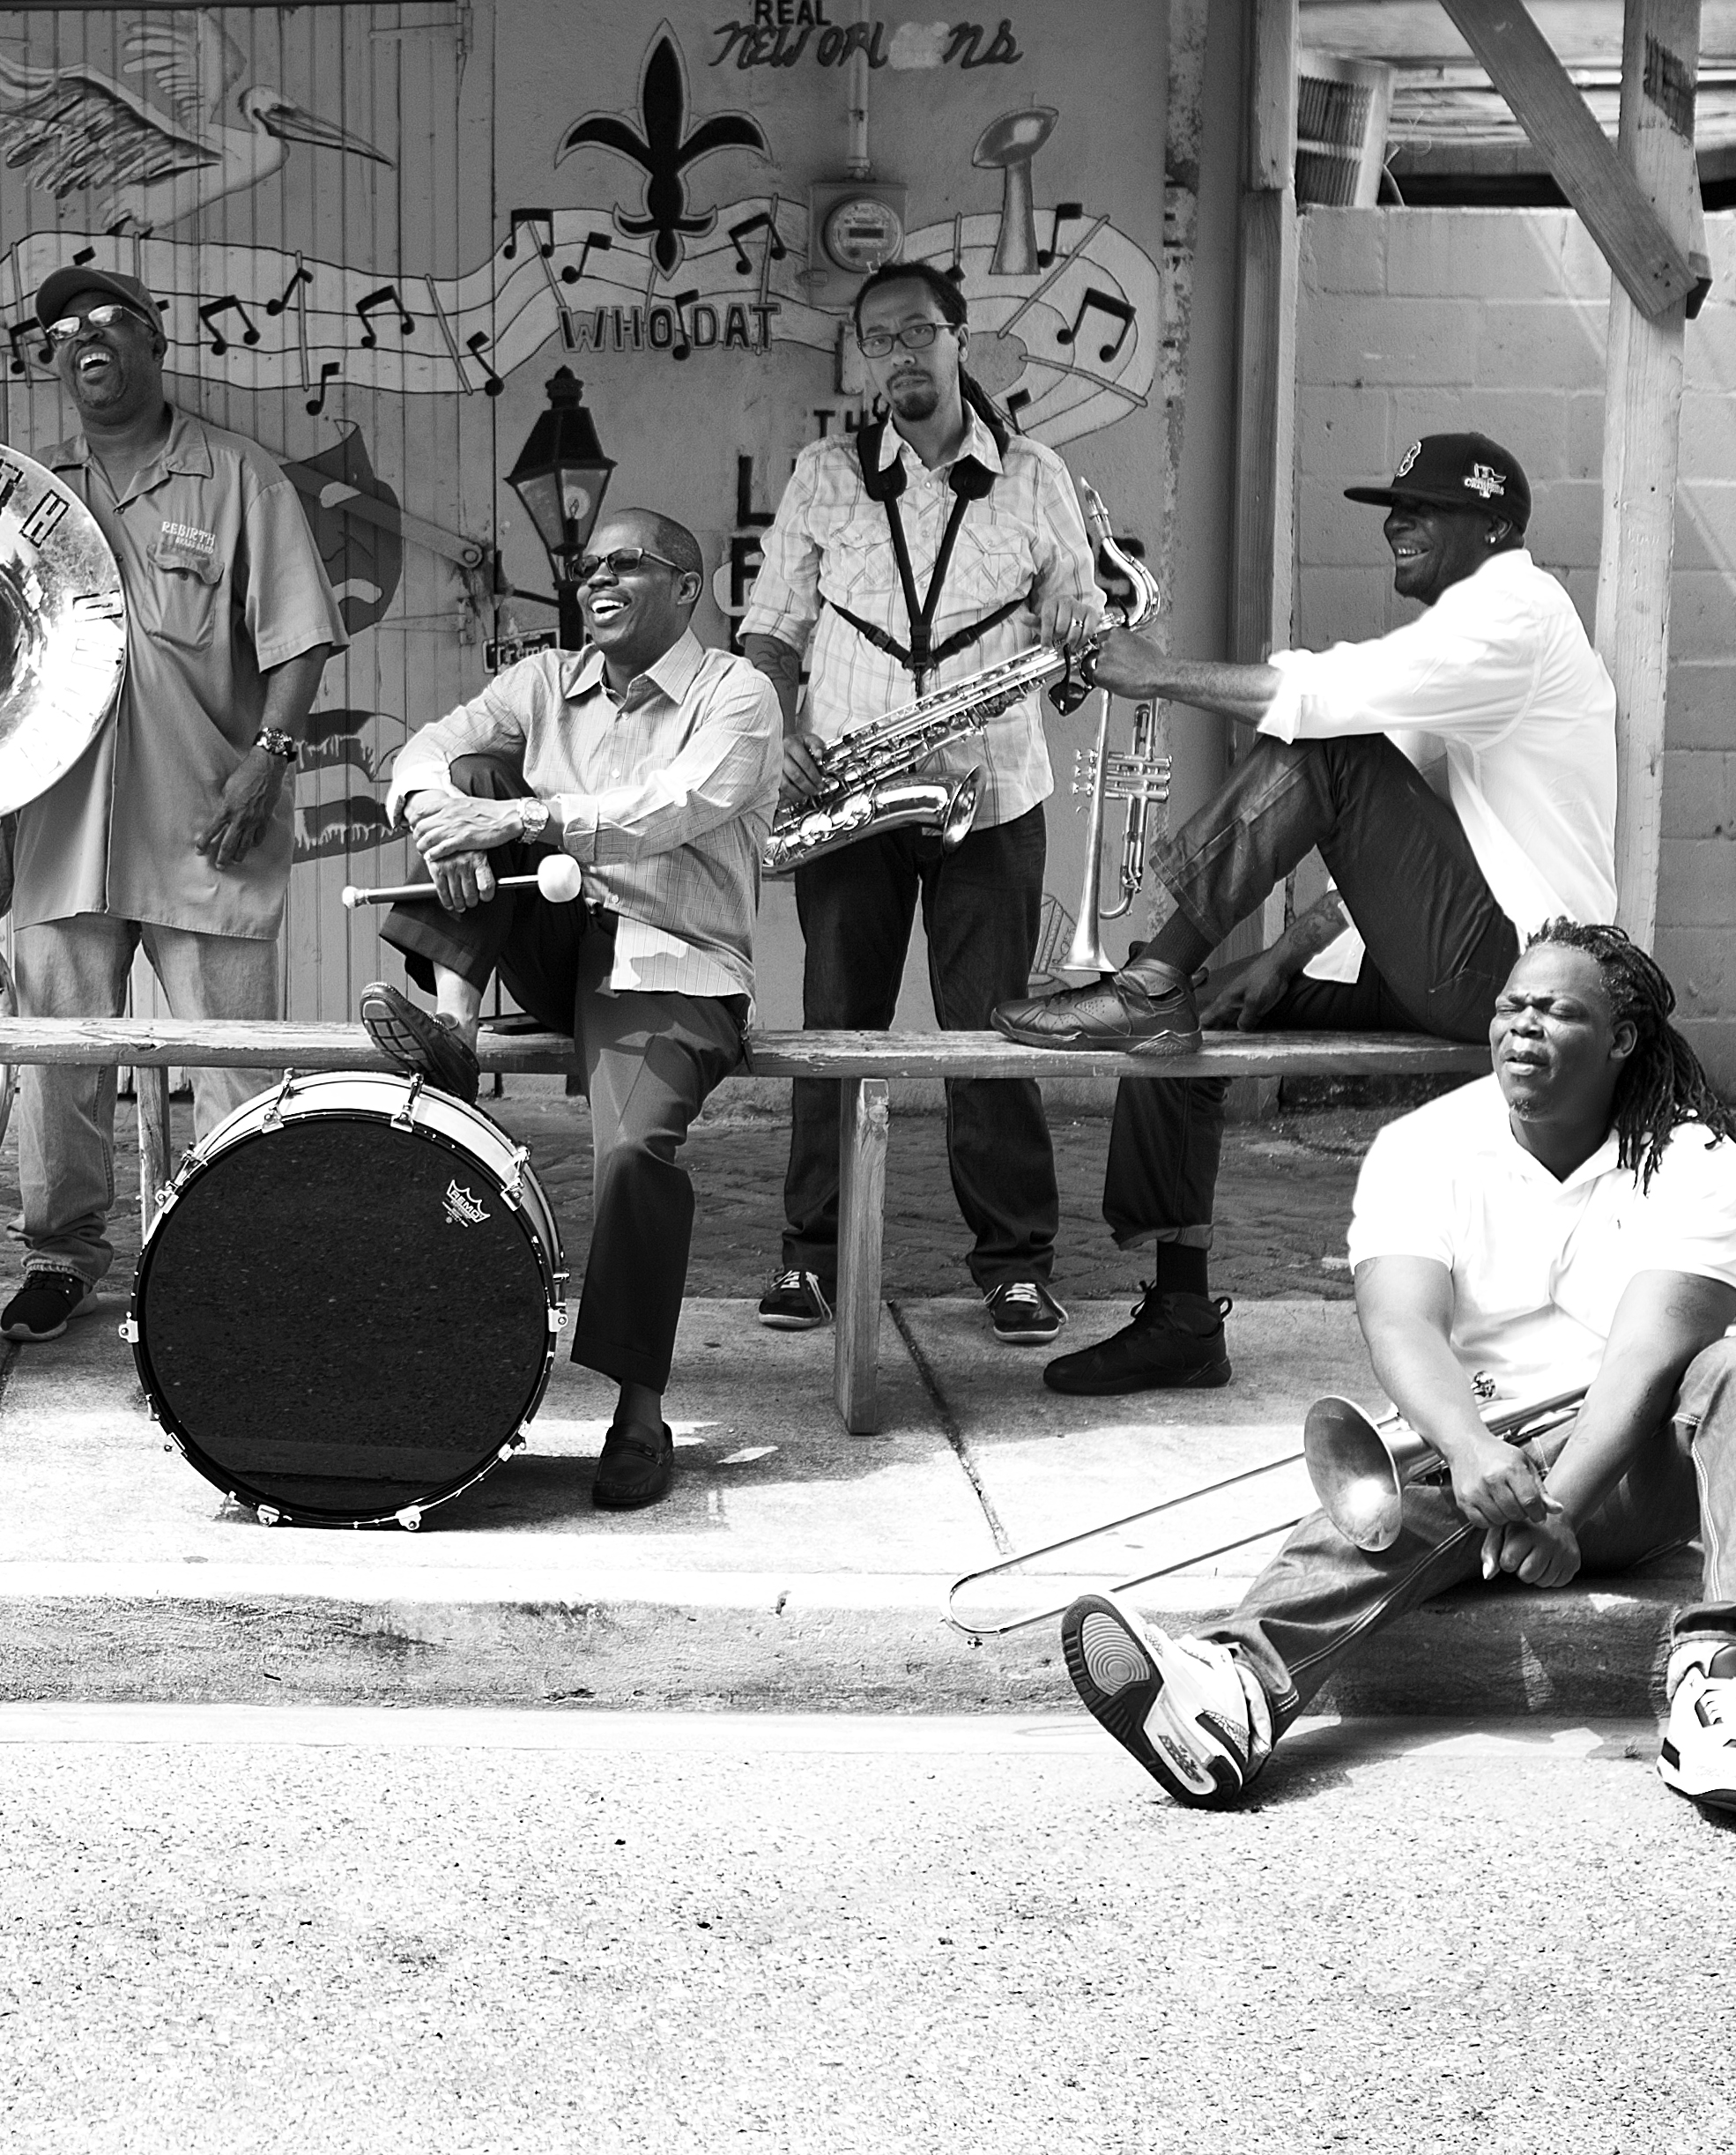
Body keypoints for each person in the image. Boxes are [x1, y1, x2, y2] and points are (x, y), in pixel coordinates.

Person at [1064, 923, 1736, 1829]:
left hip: (1631, 1462)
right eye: (1509, 1007)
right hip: (1474, 1457)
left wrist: (1562, 1501)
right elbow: (1399, 1322)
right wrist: (1464, 1445)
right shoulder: (1421, 1144)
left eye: (1555, 1011)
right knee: (1382, 1505)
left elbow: (1645, 1358)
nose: (1521, 1027)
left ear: (1619, 1039)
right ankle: (1230, 1698)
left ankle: (1724, 1689)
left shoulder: (1690, 1157)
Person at [994, 430, 1615, 1396]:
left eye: (1422, 508)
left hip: (1525, 976)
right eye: (1389, 507)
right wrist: (1284, 953)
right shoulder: (1464, 639)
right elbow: (1393, 828)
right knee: (1190, 1017)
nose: (1395, 524)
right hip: (1453, 960)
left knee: (1325, 749)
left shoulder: (1513, 614)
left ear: (1492, 526)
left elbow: (1325, 712)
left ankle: (1147, 978)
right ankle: (1179, 1313)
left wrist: (1157, 672)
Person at [359, 509, 780, 1510]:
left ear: (687, 586)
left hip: (671, 962)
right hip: (546, 942)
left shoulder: (737, 693)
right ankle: (453, 1032)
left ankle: (638, 1409)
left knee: (633, 1154)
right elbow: (424, 750)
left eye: (624, 563)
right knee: (466, 774)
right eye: (587, 563)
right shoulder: (541, 681)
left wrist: (516, 817)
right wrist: (443, 819)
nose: (596, 577)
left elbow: (674, 806)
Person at [738, 259, 1102, 1349]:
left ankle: (1013, 1266)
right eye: (877, 338)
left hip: (991, 789)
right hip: (852, 786)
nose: (898, 355)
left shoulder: (1037, 476)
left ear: (959, 339)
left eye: (916, 333)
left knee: (991, 1034)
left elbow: (1076, 634)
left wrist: (1080, 656)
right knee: (833, 1028)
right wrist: (777, 743)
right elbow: (770, 633)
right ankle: (810, 1258)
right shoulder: (822, 474)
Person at [0, 263, 345, 1343]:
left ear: (156, 344)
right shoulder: (24, 490)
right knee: (60, 1053)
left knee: (232, 1055)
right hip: (56, 821)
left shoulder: (237, 477)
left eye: (106, 322)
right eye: (60, 330)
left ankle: (240, 1247)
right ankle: (62, 1253)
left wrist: (270, 757)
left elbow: (299, 637)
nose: (81, 340)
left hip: (209, 816)